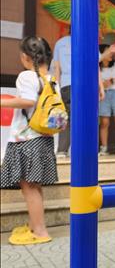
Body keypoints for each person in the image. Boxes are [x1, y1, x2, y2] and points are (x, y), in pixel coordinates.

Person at [1, 37, 58, 245]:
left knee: (29, 188)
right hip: (43, 138)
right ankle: (35, 225)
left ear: (25, 56)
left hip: (26, 139)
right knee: (34, 186)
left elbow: (28, 101)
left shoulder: (26, 76)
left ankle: (40, 231)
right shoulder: (50, 78)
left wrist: (3, 102)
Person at [50, 34, 113, 157]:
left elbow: (57, 68)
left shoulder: (60, 42)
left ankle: (62, 150)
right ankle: (79, 150)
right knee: (82, 117)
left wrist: (56, 87)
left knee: (64, 116)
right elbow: (95, 67)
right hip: (85, 86)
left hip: (66, 85)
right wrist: (100, 87)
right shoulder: (89, 42)